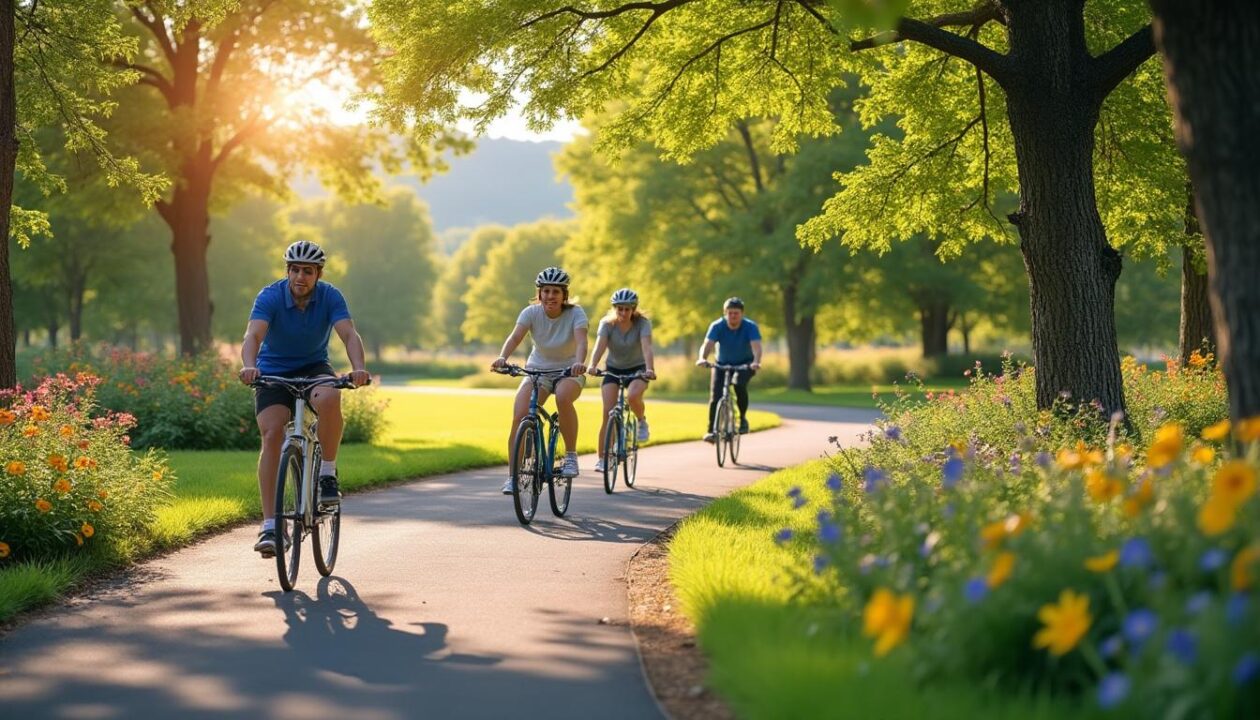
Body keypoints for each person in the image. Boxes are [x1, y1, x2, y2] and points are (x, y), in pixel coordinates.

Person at [239, 240, 371, 558]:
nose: (301, 277)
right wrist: (248, 365)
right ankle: (271, 524)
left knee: (329, 399)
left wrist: (358, 368)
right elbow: (253, 335)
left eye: (308, 271)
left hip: (314, 368)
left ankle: (327, 472)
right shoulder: (270, 296)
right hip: (272, 371)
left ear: (318, 274)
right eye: (295, 270)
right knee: (272, 434)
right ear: (287, 271)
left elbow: (349, 334)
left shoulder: (330, 296)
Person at [490, 267, 588, 493]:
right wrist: (503, 357)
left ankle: (571, 456)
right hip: (538, 370)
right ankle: (513, 477)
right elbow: (515, 336)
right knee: (520, 414)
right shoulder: (530, 313)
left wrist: (580, 363)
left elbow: (581, 342)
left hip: (569, 371)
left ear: (564, 294)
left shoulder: (576, 314)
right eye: (545, 291)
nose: (550, 296)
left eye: (555, 291)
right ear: (539, 293)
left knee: (563, 398)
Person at [588, 288, 657, 472]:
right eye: (620, 309)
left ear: (634, 309)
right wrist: (593, 365)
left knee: (633, 396)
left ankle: (641, 421)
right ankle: (603, 459)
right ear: (614, 308)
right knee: (607, 412)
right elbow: (599, 346)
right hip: (613, 368)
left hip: (638, 368)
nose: (623, 313)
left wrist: (650, 369)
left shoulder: (643, 323)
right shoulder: (606, 324)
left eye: (627, 309)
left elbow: (647, 347)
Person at [695, 297, 762, 442]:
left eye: (736, 313)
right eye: (730, 313)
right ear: (725, 313)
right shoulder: (717, 326)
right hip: (721, 365)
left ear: (742, 314)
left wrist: (756, 362)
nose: (733, 316)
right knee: (716, 396)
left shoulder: (750, 327)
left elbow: (756, 347)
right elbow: (708, 344)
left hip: (745, 365)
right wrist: (702, 358)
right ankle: (712, 431)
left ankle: (742, 419)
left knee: (739, 384)